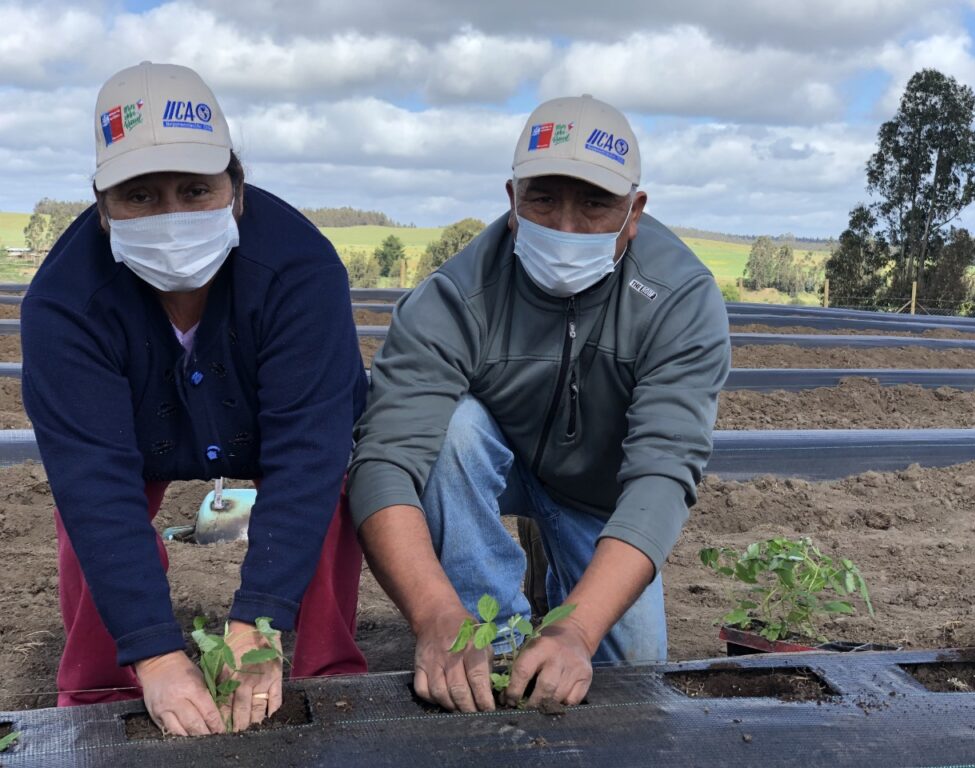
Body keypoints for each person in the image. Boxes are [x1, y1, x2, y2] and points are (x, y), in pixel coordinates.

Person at [347, 95, 731, 712]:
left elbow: (662, 476)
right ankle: (486, 632)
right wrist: (432, 613)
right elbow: (383, 462)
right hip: (493, 461)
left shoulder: (679, 299)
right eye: (544, 199)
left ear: (634, 213)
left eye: (595, 204)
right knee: (453, 428)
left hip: (597, 495)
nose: (566, 227)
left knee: (630, 673)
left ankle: (558, 594)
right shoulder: (454, 298)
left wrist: (576, 628)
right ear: (512, 200)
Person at [21, 62, 367, 736]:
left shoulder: (301, 270)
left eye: (194, 189)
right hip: (139, 435)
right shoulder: (64, 304)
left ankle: (328, 681)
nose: (172, 215)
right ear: (102, 205)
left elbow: (307, 452)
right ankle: (98, 691)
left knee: (330, 487)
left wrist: (257, 621)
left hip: (264, 426)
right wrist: (155, 650)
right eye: (140, 196)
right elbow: (94, 484)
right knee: (83, 517)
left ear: (235, 190)